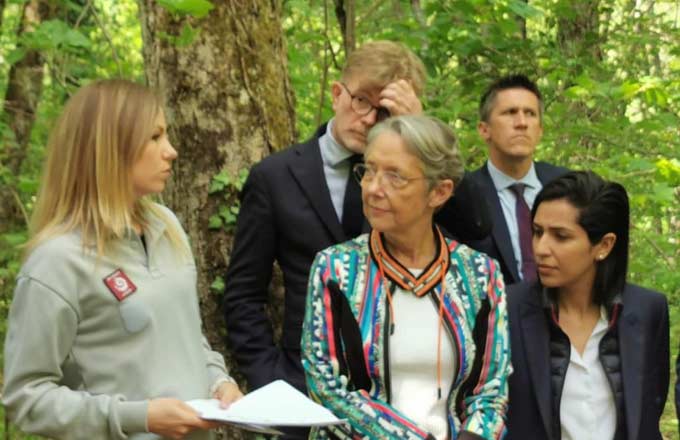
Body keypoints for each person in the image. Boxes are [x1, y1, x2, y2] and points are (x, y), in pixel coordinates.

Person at [222, 40, 491, 402]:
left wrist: (420, 125)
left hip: (403, 391)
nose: (367, 119)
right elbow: (243, 293)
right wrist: (272, 382)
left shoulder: (416, 182)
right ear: (337, 93)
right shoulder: (276, 176)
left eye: (384, 111)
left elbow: (477, 226)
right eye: (361, 100)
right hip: (303, 390)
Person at [2, 79, 243, 440]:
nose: (171, 151)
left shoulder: (167, 226)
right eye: (155, 137)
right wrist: (136, 417)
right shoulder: (57, 261)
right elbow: (26, 397)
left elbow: (184, 337)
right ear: (110, 148)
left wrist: (218, 381)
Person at [301, 115, 510, 440]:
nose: (372, 188)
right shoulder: (336, 269)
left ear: (438, 192)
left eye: (394, 177)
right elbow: (327, 387)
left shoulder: (480, 275)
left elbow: (490, 389)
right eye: (368, 170)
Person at [506, 171, 669, 440]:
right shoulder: (506, 309)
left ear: (604, 245)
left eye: (561, 236)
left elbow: (649, 412)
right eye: (537, 232)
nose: (541, 248)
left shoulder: (647, 310)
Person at [467, 74, 567, 285]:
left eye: (530, 114)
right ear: (484, 130)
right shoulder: (466, 195)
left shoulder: (567, 186)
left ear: (540, 131)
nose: (521, 123)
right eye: (510, 112)